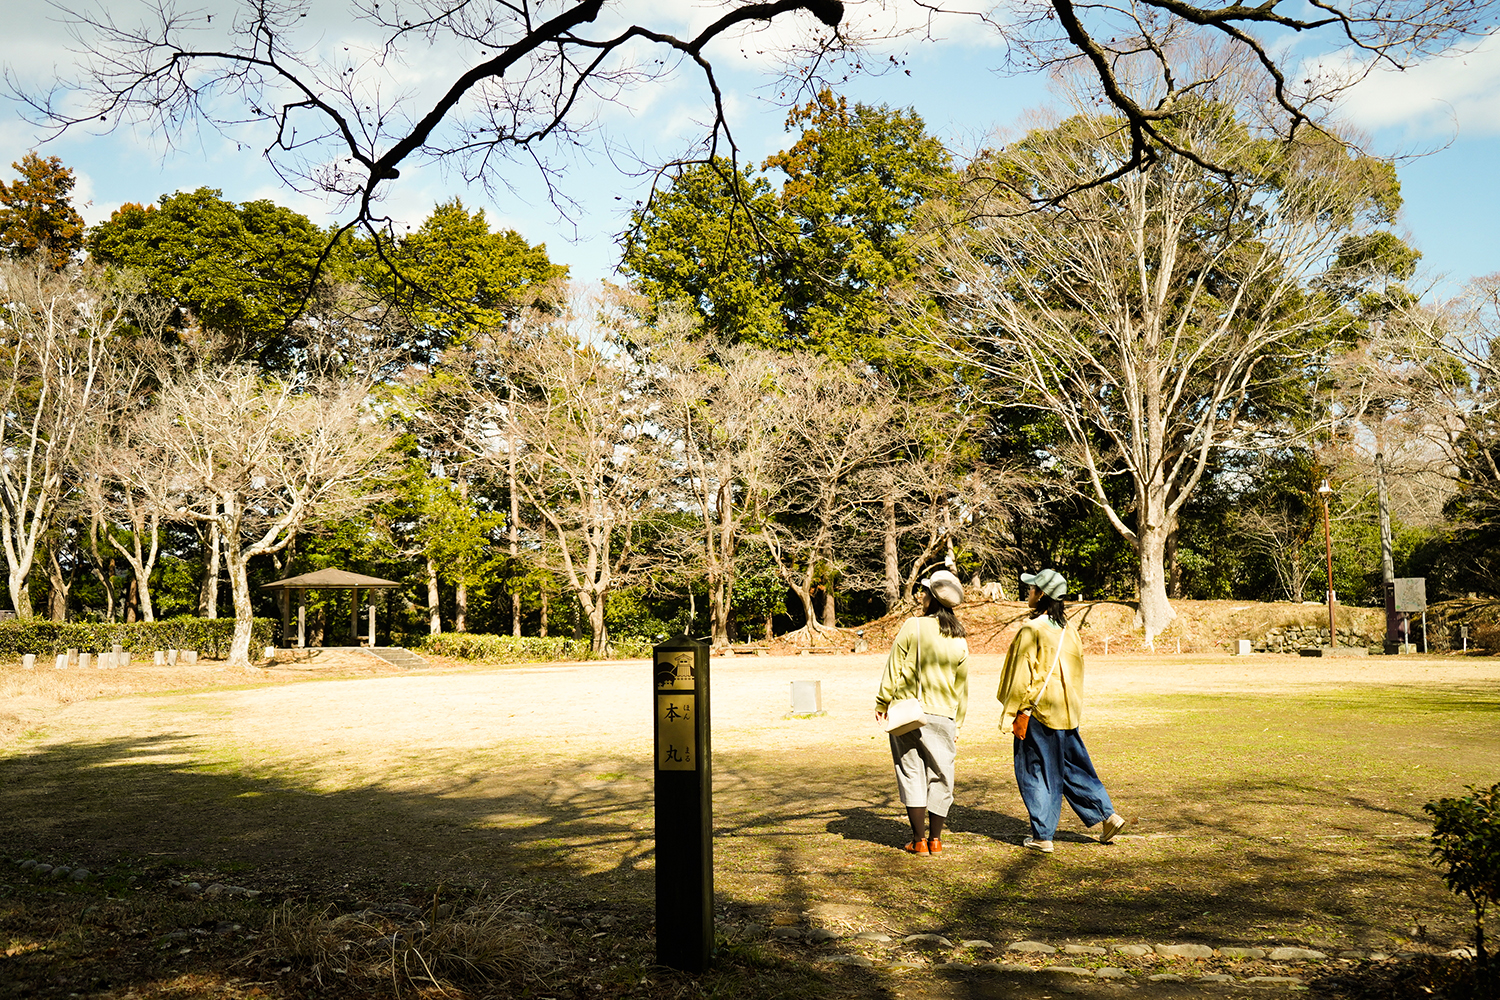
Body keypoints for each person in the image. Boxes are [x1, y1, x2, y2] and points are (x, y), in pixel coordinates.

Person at [996, 568, 1127, 853]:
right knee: (1072, 768)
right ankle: (1107, 815)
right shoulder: (1071, 632)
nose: (1028, 593)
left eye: (1032, 589)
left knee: (1036, 772)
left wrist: (1012, 713)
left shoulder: (1031, 630)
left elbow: (1020, 676)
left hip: (1038, 714)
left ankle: (1042, 836)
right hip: (1067, 713)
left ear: (1041, 594)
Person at [875, 569, 970, 856]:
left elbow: (893, 667)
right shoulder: (959, 638)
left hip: (908, 712)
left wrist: (882, 702)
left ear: (932, 597)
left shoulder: (912, 626)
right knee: (942, 775)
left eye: (924, 591)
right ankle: (936, 840)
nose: (921, 596)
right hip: (944, 715)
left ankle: (918, 840)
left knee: (911, 772)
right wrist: (958, 723)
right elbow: (961, 686)